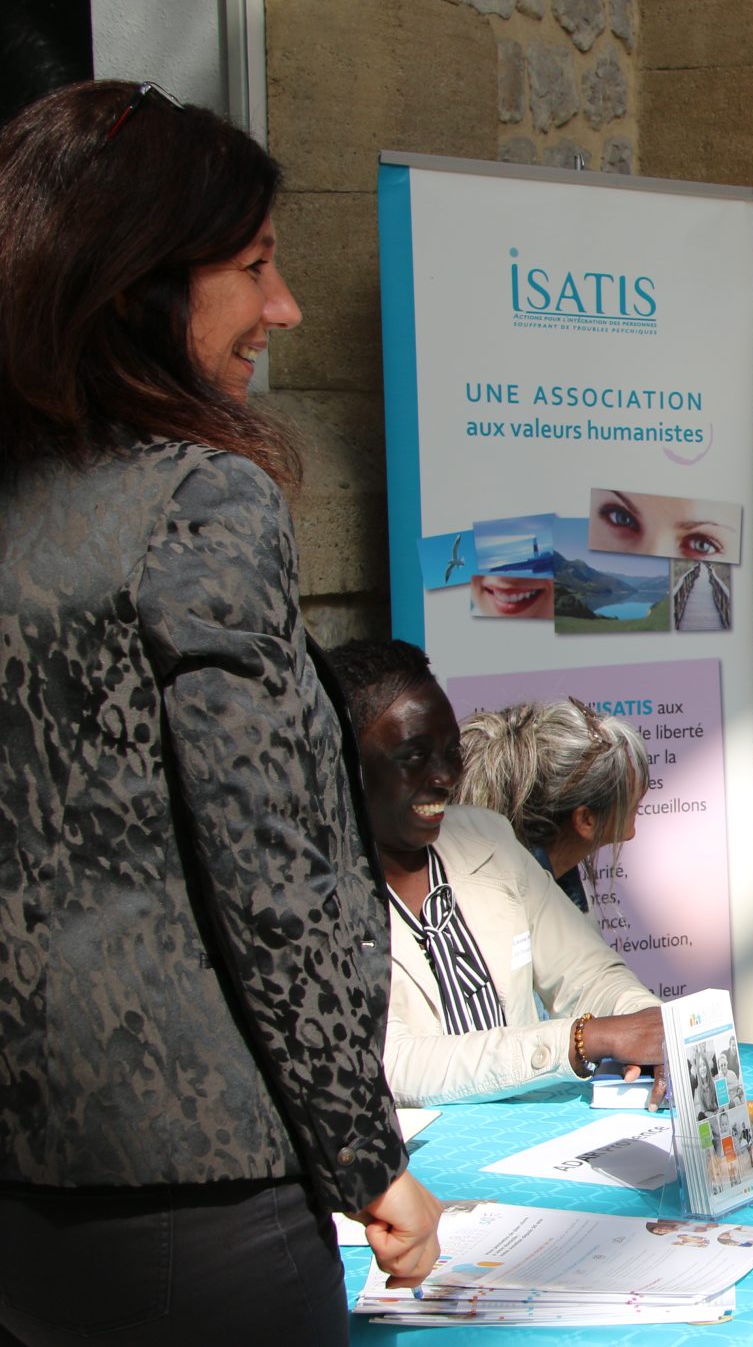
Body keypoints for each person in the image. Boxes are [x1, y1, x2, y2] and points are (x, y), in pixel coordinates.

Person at [0, 81, 438, 1343]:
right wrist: (367, 1156)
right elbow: (270, 873)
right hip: (189, 1196)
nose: (281, 309)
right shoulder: (197, 501)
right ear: (135, 281)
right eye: (252, 267)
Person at [329, 640, 670, 1105]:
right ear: (345, 762)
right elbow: (392, 1064)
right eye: (414, 756)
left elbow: (586, 972)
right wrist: (579, 1041)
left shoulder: (485, 840)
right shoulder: (318, 893)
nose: (444, 777)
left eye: (451, 753)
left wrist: (648, 1026)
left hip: (525, 1145)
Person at [453, 698, 651, 912]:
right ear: (586, 820)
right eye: (626, 786)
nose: (640, 789)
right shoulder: (510, 910)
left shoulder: (549, 884)